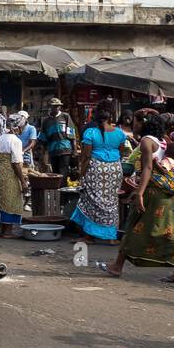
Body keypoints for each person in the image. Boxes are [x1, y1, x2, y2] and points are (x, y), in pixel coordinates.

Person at [104, 115, 174, 282]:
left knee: (133, 225)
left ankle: (117, 266)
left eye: (136, 121)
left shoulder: (146, 141)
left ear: (143, 124)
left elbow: (147, 168)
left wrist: (140, 193)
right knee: (169, 231)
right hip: (168, 195)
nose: (132, 124)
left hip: (153, 193)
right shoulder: (163, 140)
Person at [70, 104, 127, 244]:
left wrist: (81, 174)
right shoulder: (120, 133)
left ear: (94, 117)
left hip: (96, 169)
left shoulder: (90, 133)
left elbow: (86, 156)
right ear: (111, 117)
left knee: (92, 201)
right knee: (111, 201)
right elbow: (120, 153)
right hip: (114, 170)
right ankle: (111, 237)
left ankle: (89, 236)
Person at [0, 114, 29, 236]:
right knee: (11, 201)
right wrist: (23, 181)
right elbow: (16, 163)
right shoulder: (16, 141)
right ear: (18, 127)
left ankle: (3, 229)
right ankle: (7, 231)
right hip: (10, 174)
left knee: (2, 200)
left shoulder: (1, 139)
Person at [39, 98, 76, 175]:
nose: (56, 108)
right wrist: (43, 156)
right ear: (50, 107)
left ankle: (63, 187)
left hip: (65, 149)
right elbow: (43, 140)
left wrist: (74, 150)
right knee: (55, 173)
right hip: (53, 150)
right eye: (54, 106)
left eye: (58, 106)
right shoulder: (46, 121)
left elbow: (72, 134)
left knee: (63, 172)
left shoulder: (65, 116)